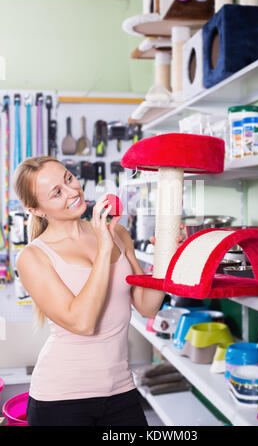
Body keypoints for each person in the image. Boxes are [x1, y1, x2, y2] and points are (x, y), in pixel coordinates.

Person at [14, 156, 184, 427]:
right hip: (61, 399)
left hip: (120, 389)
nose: (72, 191)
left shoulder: (119, 234)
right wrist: (104, 248)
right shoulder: (33, 257)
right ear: (36, 210)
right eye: (57, 192)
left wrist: (167, 257)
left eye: (68, 178)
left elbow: (146, 306)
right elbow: (82, 323)